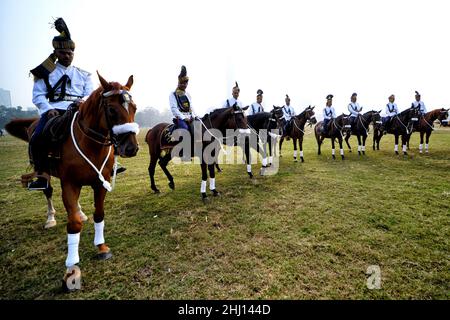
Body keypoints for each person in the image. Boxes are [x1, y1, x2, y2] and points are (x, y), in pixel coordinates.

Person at [28, 18, 94, 190]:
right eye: (63, 53)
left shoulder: (84, 74)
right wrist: (48, 109)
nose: (68, 56)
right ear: (56, 53)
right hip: (55, 110)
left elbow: (90, 94)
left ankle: (112, 163)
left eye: (70, 53)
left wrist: (83, 102)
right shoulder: (44, 73)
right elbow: (38, 96)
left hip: (79, 110)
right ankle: (42, 176)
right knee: (37, 138)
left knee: (105, 127)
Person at [169, 65, 196, 137]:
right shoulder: (173, 94)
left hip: (190, 117)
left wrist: (194, 116)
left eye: (185, 83)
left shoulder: (187, 94)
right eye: (182, 83)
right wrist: (184, 118)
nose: (184, 85)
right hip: (180, 118)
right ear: (178, 83)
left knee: (199, 129)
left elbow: (191, 108)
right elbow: (174, 109)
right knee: (185, 130)